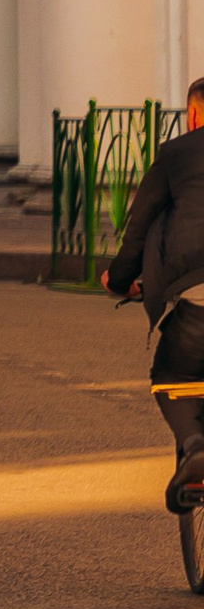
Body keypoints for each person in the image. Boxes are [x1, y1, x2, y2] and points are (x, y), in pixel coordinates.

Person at [102, 78, 204, 512]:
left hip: (199, 292)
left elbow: (139, 228)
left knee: (175, 376)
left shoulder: (178, 153)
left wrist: (122, 278)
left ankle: (196, 448)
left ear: (195, 114)